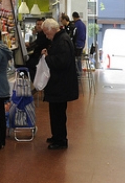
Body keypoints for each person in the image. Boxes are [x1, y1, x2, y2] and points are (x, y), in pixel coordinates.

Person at [40, 18, 79, 150]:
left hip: (60, 84)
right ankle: (57, 136)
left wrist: (47, 58)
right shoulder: (61, 39)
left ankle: (60, 139)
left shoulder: (61, 41)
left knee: (58, 113)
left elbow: (61, 62)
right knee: (56, 112)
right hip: (60, 84)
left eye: (47, 33)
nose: (46, 36)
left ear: (52, 29)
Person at [72, 12, 87, 77]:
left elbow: (74, 35)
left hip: (77, 44)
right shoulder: (83, 24)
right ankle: (79, 72)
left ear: (74, 17)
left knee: (76, 59)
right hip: (82, 44)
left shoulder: (76, 25)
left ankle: (77, 73)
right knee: (78, 58)